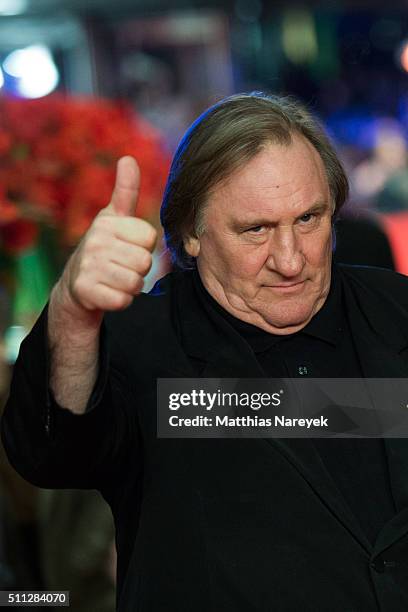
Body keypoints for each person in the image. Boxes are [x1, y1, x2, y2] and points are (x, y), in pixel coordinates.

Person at [2, 93, 408, 612]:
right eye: (255, 229)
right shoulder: (142, 346)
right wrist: (73, 312)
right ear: (191, 232)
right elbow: (49, 455)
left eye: (308, 219)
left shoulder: (396, 311)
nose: (289, 260)